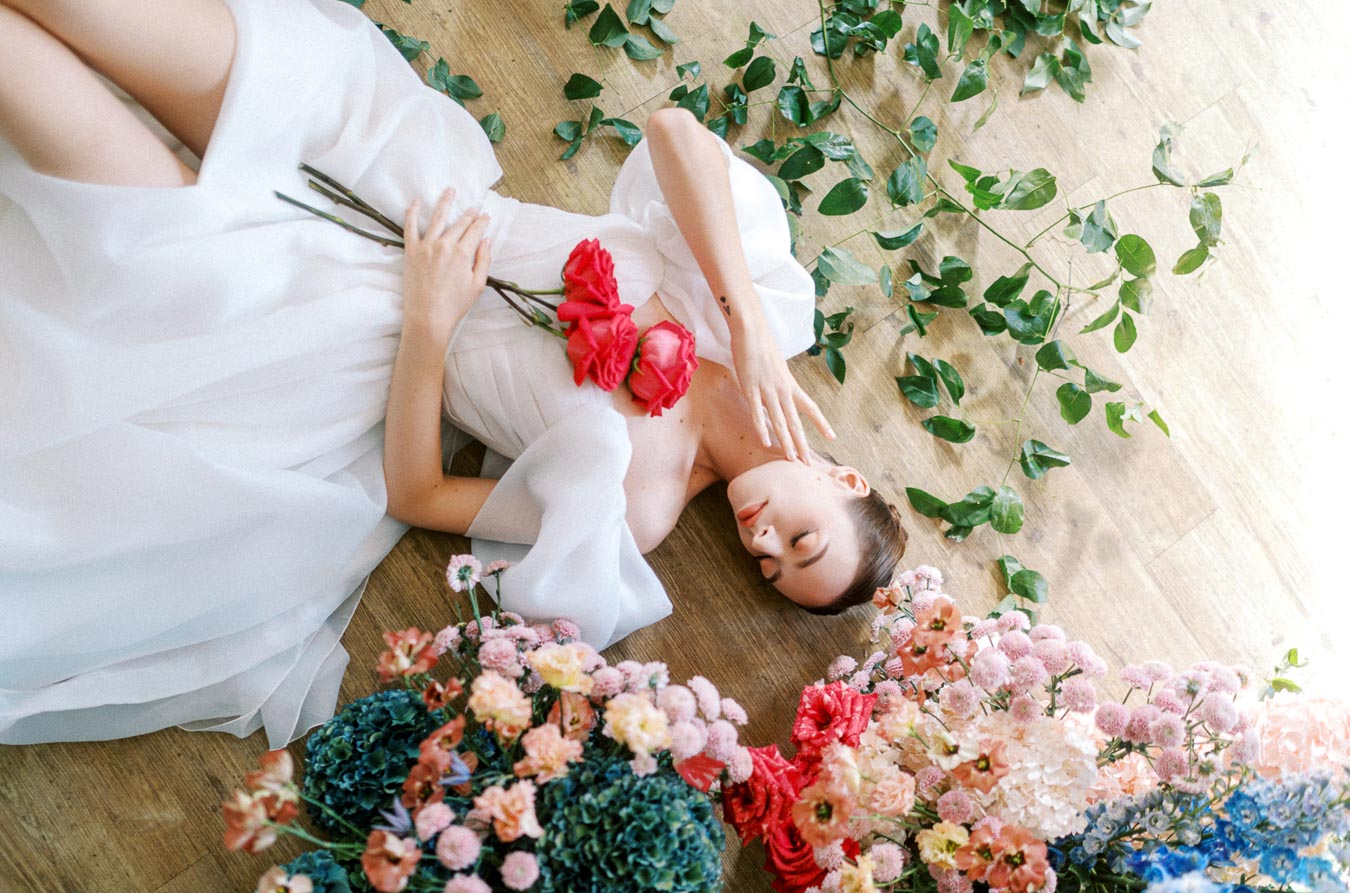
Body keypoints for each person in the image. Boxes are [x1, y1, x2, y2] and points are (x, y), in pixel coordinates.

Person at [0, 0, 904, 749]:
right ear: (844, 481)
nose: (764, 542)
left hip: (335, 317)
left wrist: (431, 324)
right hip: (403, 174)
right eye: (803, 540)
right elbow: (673, 134)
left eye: (769, 568)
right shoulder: (761, 316)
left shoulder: (637, 511)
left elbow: (419, 494)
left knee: (28, 79)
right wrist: (745, 324)